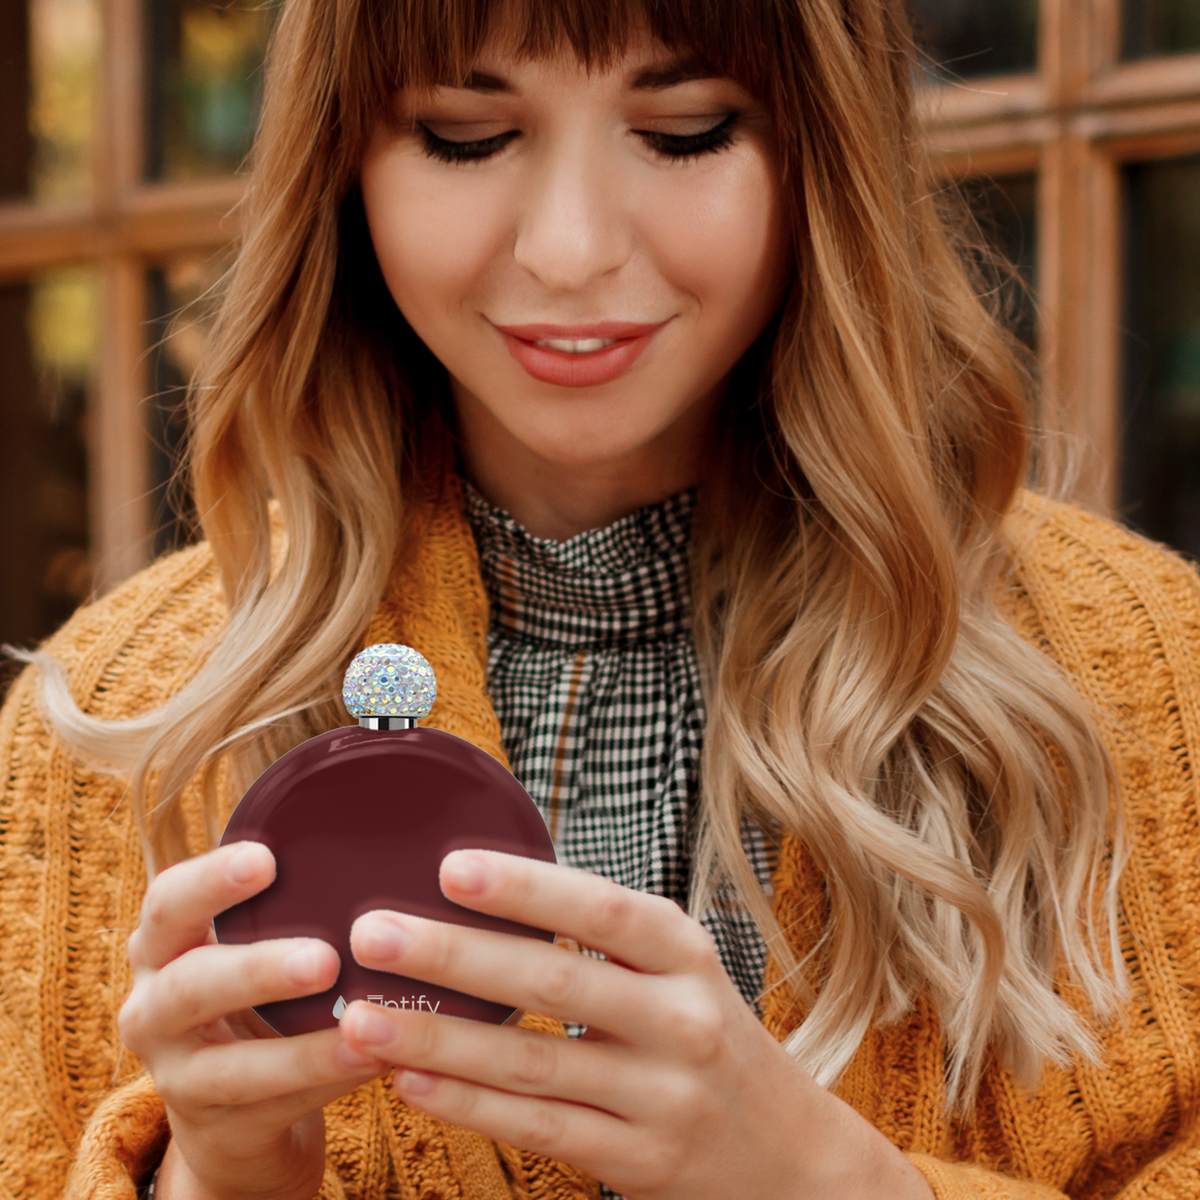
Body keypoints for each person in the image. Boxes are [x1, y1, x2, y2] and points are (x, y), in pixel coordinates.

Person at [3, 0, 1200, 1196]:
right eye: (464, 136)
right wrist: (213, 1180)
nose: (569, 251)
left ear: (827, 152)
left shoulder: (1159, 679)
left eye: (685, 131)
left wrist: (835, 1182)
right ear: (341, 162)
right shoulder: (113, 727)